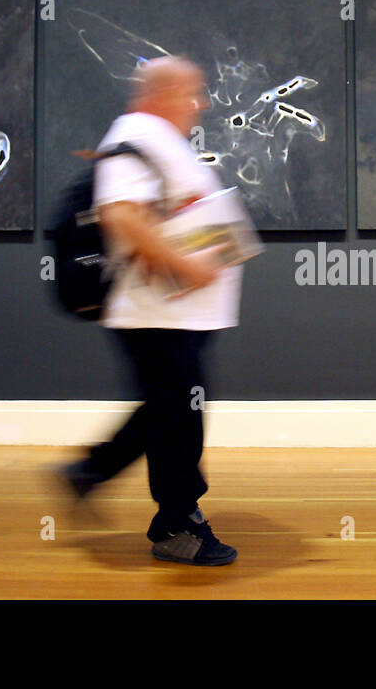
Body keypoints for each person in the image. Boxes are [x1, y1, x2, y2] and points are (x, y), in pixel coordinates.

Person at [59, 56, 241, 566]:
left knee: (167, 408)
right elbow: (122, 218)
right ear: (162, 94)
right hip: (153, 311)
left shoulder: (159, 141)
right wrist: (187, 265)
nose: (200, 104)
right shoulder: (134, 134)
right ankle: (177, 527)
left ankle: (89, 473)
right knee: (179, 415)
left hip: (174, 311)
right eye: (192, 93)